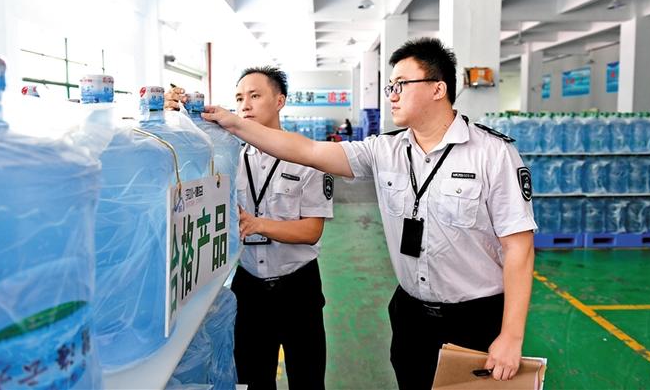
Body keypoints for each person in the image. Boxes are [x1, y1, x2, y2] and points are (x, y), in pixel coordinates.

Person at [198, 38, 536, 390]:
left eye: (401, 85)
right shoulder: (385, 150)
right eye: (390, 86)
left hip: (475, 317)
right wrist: (230, 122)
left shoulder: (492, 154)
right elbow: (309, 150)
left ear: (438, 89)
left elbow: (519, 247)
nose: (391, 95)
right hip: (411, 314)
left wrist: (511, 336)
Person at [166, 67, 334, 390]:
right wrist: (174, 114)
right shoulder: (228, 156)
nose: (245, 105)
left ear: (280, 101)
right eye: (240, 98)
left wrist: (258, 225)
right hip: (248, 288)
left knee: (308, 380)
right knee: (253, 380)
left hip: (298, 288)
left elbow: (311, 231)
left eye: (255, 96)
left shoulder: (308, 157)